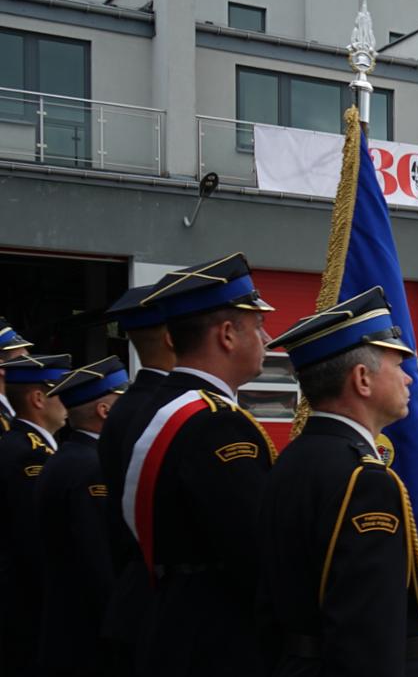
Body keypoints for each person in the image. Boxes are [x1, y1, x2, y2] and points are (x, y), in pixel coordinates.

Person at [258, 287, 418, 674]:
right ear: (362, 379)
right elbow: (366, 634)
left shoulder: (294, 457)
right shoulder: (366, 481)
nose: (409, 380)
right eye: (398, 366)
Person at [107, 254, 277, 677]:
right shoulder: (218, 426)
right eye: (257, 327)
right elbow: (256, 555)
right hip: (217, 638)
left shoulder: (154, 405)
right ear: (226, 335)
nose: (268, 339)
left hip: (166, 617)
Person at [96, 284, 172, 677]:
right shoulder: (166, 408)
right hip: (162, 597)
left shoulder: (127, 406)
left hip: (133, 590)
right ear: (173, 336)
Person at [38, 357, 126, 677]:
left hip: (65, 620)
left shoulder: (66, 457)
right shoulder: (92, 467)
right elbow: (98, 555)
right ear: (105, 411)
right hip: (88, 630)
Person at [0, 352, 72, 670]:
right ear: (39, 398)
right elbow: (35, 539)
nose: (68, 401)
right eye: (61, 392)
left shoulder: (15, 444)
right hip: (26, 600)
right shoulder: (30, 456)